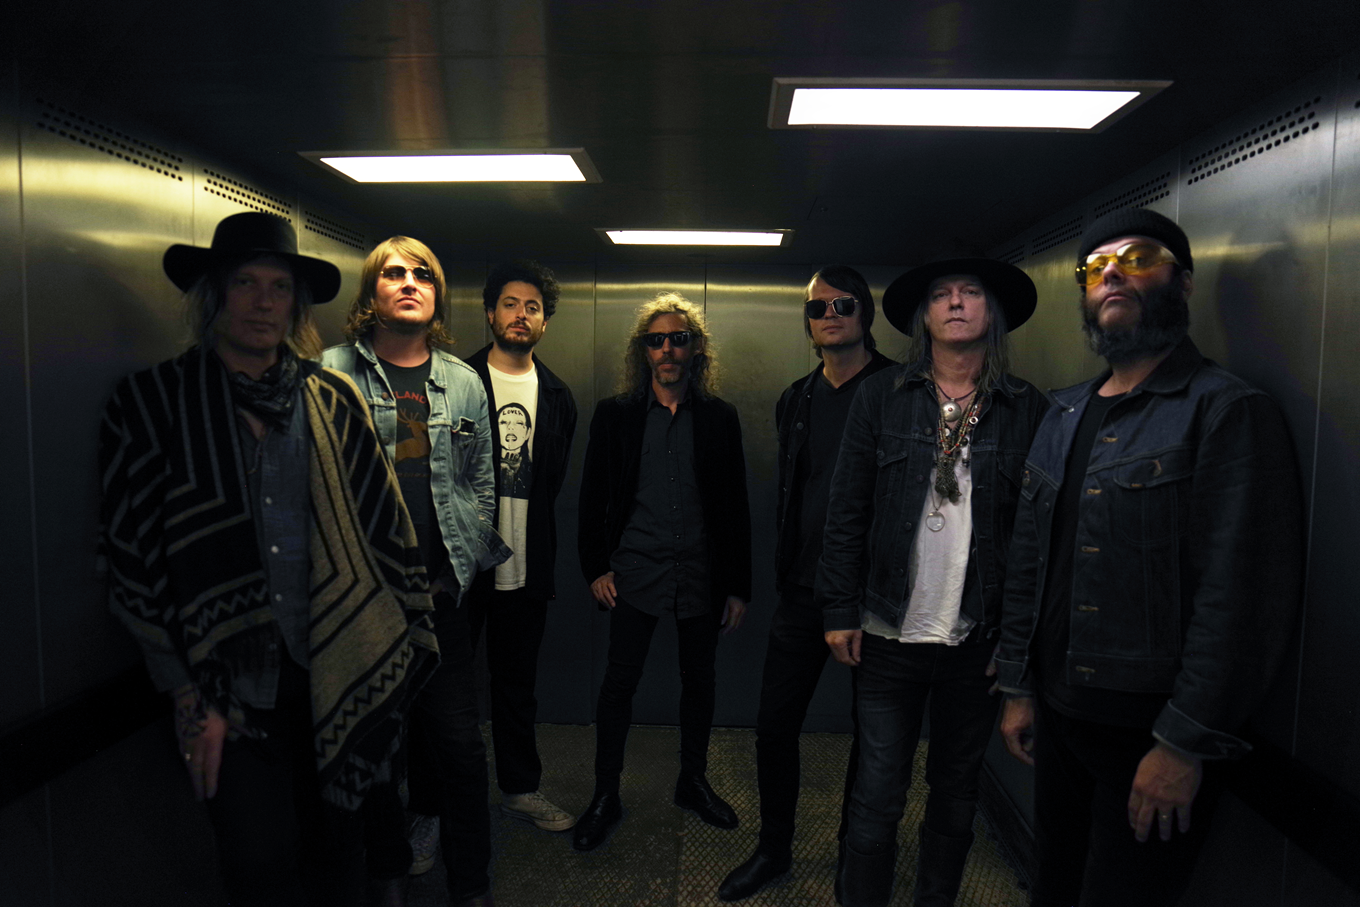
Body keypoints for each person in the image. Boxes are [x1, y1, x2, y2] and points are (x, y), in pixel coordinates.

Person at [99, 212, 437, 907]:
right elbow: (133, 559)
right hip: (226, 686)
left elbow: (385, 537)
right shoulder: (154, 403)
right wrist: (187, 693)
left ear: (296, 305)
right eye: (245, 283)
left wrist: (385, 652)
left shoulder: (333, 399)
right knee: (257, 862)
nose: (262, 302)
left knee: (337, 853)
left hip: (334, 669)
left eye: (278, 287)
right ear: (214, 296)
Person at [995, 208, 1304, 907]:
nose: (1112, 274)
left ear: (1182, 282)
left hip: (1148, 735)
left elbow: (1240, 598)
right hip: (1060, 716)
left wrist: (1183, 743)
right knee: (1053, 888)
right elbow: (1029, 564)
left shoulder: (1223, 410)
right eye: (1096, 267)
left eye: (1137, 259)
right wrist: (1017, 686)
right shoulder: (1064, 414)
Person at [819, 257, 1048, 906]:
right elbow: (847, 508)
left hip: (976, 642)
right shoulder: (881, 396)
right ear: (924, 316)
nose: (955, 303)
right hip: (887, 632)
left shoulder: (1027, 407)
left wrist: (1017, 654)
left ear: (991, 312)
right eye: (942, 294)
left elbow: (1034, 544)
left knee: (955, 795)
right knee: (876, 795)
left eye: (970, 292)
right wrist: (839, 608)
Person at [322, 236, 508, 907]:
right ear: (370, 292)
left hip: (440, 600)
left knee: (460, 749)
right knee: (373, 753)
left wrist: (456, 572)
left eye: (422, 274)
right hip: (363, 604)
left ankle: (471, 886)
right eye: (393, 272)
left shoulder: (462, 381)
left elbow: (480, 483)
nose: (408, 282)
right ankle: (388, 876)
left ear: (437, 295)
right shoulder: (331, 372)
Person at [718, 266, 894, 902]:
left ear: (865, 313)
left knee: (874, 739)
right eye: (818, 308)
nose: (830, 316)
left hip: (875, 596)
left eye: (843, 305)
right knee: (774, 726)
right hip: (802, 590)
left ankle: (856, 854)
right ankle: (774, 848)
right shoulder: (797, 397)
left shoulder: (900, 389)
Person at [573, 292, 752, 852]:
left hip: (701, 575)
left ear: (696, 349)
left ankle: (691, 781)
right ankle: (606, 794)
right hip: (634, 573)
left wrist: (738, 587)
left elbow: (736, 507)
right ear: (643, 351)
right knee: (618, 684)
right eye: (656, 341)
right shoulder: (616, 415)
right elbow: (592, 497)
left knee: (700, 682)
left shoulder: (720, 418)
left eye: (679, 338)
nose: (668, 349)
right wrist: (595, 568)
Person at [463, 260, 579, 834]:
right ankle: (432, 805)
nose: (520, 314)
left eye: (532, 307)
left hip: (528, 566)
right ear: (490, 313)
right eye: (510, 303)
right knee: (447, 687)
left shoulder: (557, 396)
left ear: (544, 323)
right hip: (463, 566)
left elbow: (549, 484)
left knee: (516, 686)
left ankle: (519, 789)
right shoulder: (457, 380)